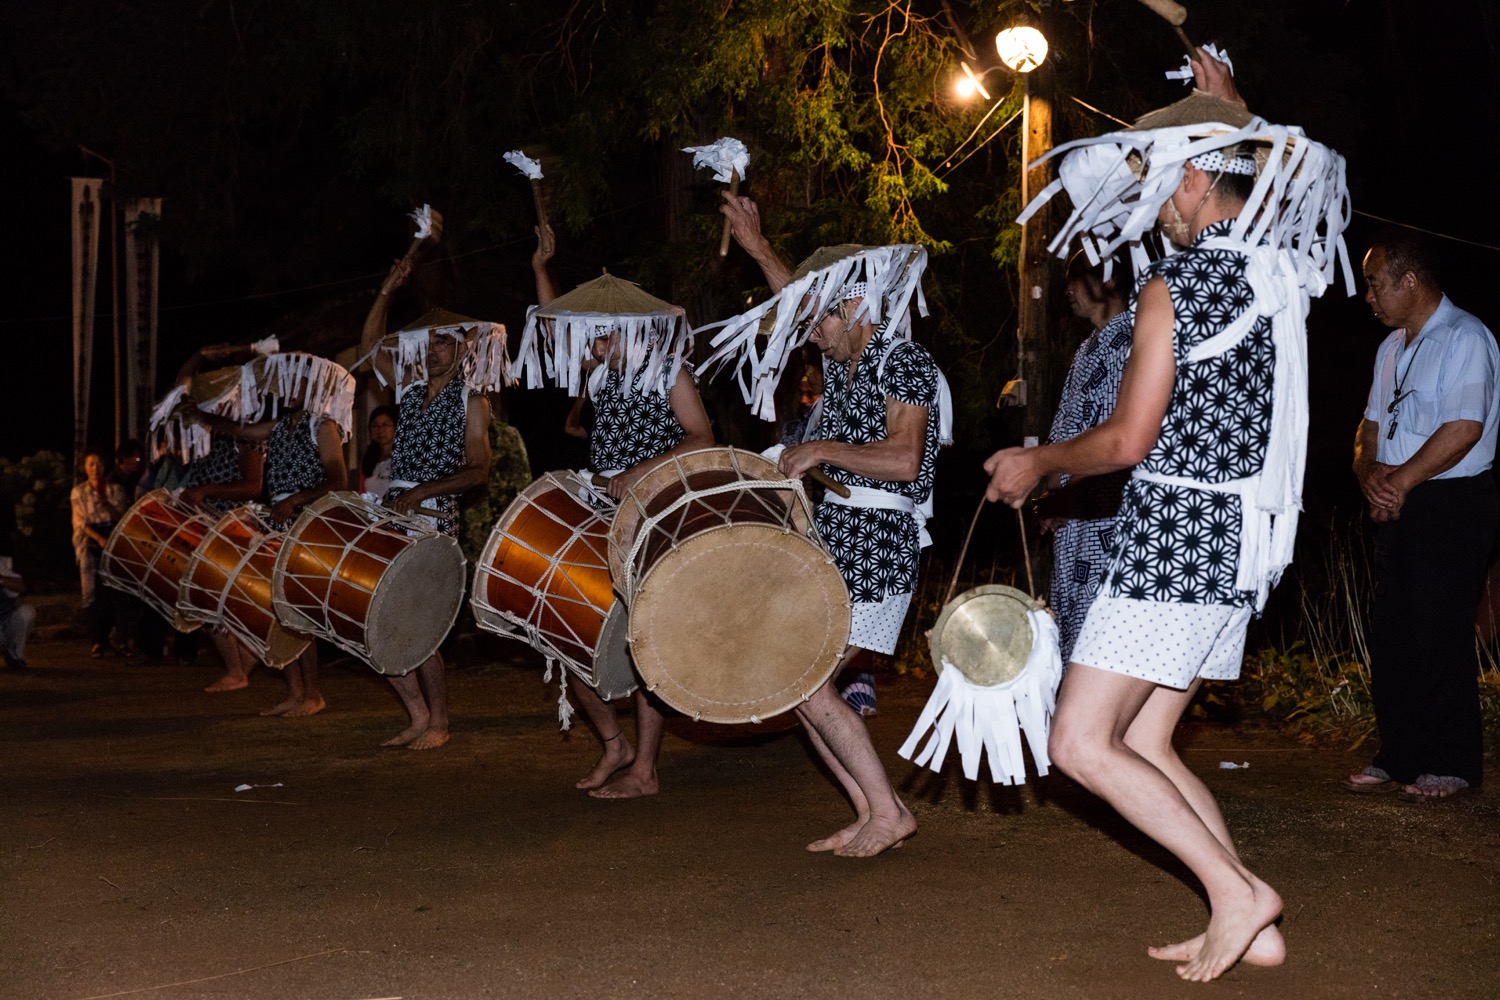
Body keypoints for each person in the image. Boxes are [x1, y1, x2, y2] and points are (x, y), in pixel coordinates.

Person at [722, 194, 943, 857]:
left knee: (807, 681)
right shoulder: (845, 365)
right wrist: (759, 248)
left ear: (857, 309)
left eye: (820, 321)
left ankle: (887, 812)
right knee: (799, 684)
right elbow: (804, 300)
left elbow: (905, 460)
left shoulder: (902, 360)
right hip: (840, 541)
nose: (809, 334)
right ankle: (875, 809)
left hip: (878, 547)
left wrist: (822, 450)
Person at [529, 222, 715, 798]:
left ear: (625, 329)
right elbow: (554, 325)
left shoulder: (669, 370)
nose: (588, 341)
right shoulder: (599, 372)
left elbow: (702, 438)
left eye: (599, 332)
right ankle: (617, 745)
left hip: (657, 510)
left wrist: (637, 474)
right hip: (604, 511)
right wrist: (541, 268)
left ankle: (647, 770)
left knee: (643, 636)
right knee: (561, 624)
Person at [1347, 229, 1498, 800]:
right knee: (1394, 633)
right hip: (1396, 497)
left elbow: (1464, 428)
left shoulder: (1466, 338)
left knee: (1440, 629)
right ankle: (1400, 753)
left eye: (1375, 283)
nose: (1369, 296)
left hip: (1450, 501)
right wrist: (1369, 474)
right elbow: (1368, 424)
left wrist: (1400, 481)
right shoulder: (1392, 348)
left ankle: (1453, 761)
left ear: (1410, 280)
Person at [359, 259, 497, 750]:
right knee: (375, 617)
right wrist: (387, 290)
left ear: (462, 347)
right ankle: (418, 715)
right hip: (395, 513)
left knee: (420, 622)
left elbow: (480, 469)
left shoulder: (473, 399)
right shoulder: (411, 390)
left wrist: (419, 493)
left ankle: (439, 721)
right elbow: (370, 349)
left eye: (445, 341)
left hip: (435, 515)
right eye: (430, 341)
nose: (435, 350)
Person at [190, 353, 353, 717]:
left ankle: (312, 694)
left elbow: (337, 480)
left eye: (297, 383)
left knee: (297, 611)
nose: (289, 389)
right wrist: (202, 415)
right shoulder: (278, 426)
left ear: (311, 387)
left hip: (306, 521)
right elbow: (239, 432)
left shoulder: (323, 425)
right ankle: (295, 691)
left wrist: (295, 500)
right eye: (285, 383)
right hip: (278, 521)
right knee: (278, 610)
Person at [1039, 251, 1134, 662]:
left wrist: (1066, 496)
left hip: (1105, 520)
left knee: (1099, 647)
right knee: (1068, 637)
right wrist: (1051, 494)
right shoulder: (1088, 347)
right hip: (1073, 523)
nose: (1068, 290)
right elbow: (1067, 428)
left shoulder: (1132, 342)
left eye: (1077, 277)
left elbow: (1114, 441)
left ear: (1109, 280)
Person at [70, 450, 130, 658]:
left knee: (117, 590)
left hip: (112, 536)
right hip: (92, 538)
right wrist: (98, 539)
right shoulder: (79, 492)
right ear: (84, 468)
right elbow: (80, 522)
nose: (96, 469)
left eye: (99, 464)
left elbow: (122, 516)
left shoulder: (115, 490)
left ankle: (119, 636)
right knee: (92, 591)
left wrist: (106, 504)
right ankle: (97, 639)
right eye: (91, 464)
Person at [0, 547, 34, 671]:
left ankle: (15, 654)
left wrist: (2, 580)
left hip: (3, 624)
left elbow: (21, 586)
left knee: (26, 612)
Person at [360, 405, 398, 498]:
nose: (380, 430)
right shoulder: (368, 460)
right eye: (375, 426)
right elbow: (361, 491)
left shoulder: (401, 458)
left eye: (385, 425)